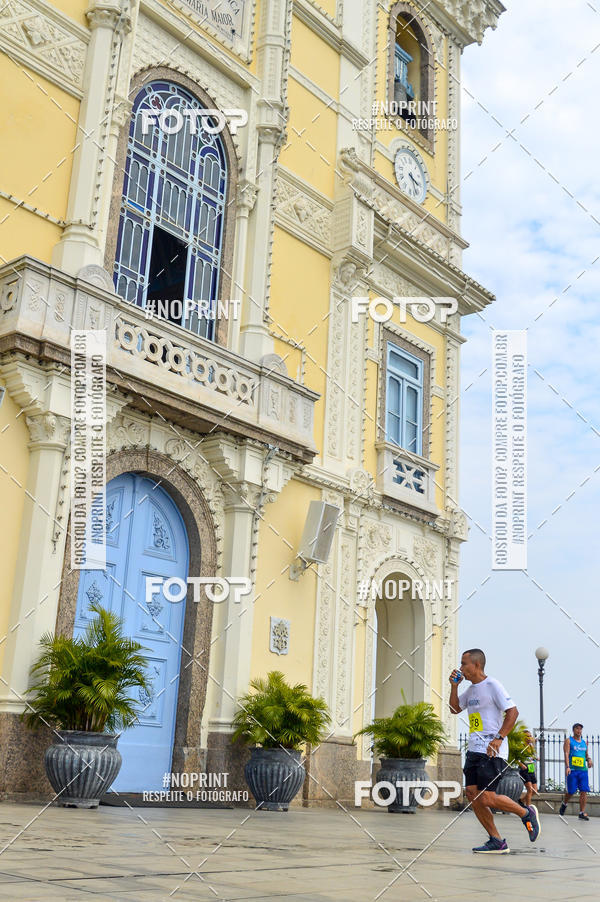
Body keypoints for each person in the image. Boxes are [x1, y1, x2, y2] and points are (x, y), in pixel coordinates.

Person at [449, 648, 540, 853]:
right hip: (474, 749)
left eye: (464, 663)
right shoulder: (470, 690)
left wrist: (499, 738)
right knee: (472, 794)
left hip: (492, 750)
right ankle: (496, 840)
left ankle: (525, 813)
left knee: (487, 797)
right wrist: (454, 687)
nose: (461, 667)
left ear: (476, 665)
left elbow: (513, 711)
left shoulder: (492, 685)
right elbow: (454, 709)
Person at [559, 723, 593, 820]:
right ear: (573, 730)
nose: (579, 731)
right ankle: (564, 803)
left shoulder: (584, 742)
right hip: (573, 770)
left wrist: (589, 760)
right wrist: (567, 767)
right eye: (577, 729)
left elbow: (586, 755)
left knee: (584, 791)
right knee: (571, 791)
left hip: (583, 771)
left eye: (580, 729)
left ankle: (581, 813)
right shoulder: (569, 741)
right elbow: (566, 754)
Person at [517, 730, 538, 808]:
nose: (529, 738)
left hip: (531, 769)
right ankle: (528, 808)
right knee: (530, 789)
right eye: (527, 736)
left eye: (530, 736)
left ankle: (521, 801)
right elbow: (516, 758)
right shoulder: (521, 746)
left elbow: (532, 757)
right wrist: (521, 764)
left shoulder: (530, 746)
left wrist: (535, 758)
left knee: (535, 791)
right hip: (524, 770)